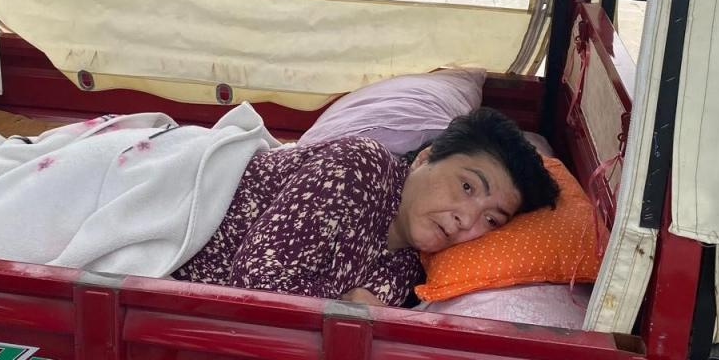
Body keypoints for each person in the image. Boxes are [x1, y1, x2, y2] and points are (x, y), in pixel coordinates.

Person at [173, 107, 560, 307]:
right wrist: (343, 301)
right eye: (467, 186)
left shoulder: (409, 264)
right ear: (425, 158)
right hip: (177, 200)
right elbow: (257, 283)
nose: (467, 219)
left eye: (491, 219)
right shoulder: (361, 166)